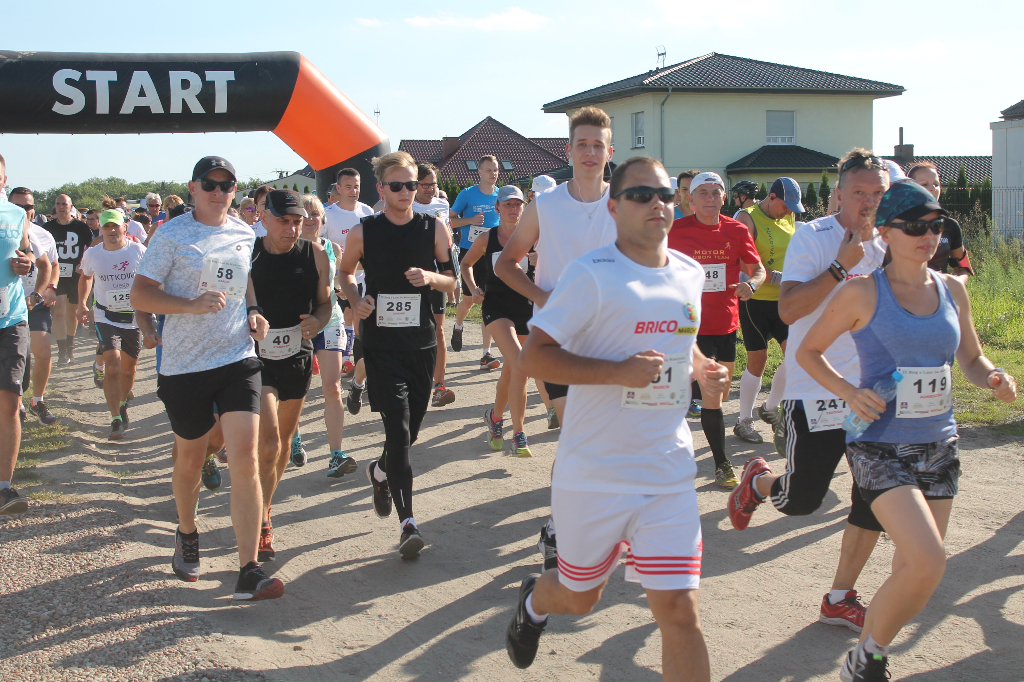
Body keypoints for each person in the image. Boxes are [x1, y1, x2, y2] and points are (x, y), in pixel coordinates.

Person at [504, 156, 728, 681]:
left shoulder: (689, 273)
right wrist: (617, 373)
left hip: (667, 470)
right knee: (580, 596)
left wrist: (703, 371)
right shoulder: (591, 274)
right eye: (641, 195)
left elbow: (682, 345)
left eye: (666, 195)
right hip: (595, 473)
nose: (657, 204)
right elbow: (533, 358)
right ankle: (534, 602)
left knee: (680, 611)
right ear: (614, 207)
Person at [796, 180, 1017, 682]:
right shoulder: (861, 291)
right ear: (887, 232)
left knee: (915, 569)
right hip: (879, 445)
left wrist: (994, 377)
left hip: (939, 443)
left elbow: (972, 357)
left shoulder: (952, 289)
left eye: (937, 225)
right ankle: (868, 653)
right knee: (929, 559)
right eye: (916, 226)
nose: (929, 235)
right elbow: (809, 351)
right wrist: (850, 391)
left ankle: (866, 653)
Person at [727, 149, 891, 633]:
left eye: (877, 193)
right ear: (839, 193)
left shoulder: (891, 242)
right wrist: (842, 266)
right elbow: (790, 310)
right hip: (816, 387)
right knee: (800, 501)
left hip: (874, 393)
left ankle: (839, 598)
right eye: (858, 192)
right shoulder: (813, 237)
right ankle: (758, 481)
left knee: (873, 497)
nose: (868, 201)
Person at [131, 155, 283, 601]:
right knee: (191, 459)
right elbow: (140, 294)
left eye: (227, 185)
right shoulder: (171, 234)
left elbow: (244, 279)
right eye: (210, 184)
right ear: (193, 188)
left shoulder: (242, 231)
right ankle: (186, 531)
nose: (219, 192)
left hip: (237, 357)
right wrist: (189, 305)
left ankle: (248, 568)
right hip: (185, 365)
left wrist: (254, 311)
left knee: (246, 457)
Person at [495, 106, 619, 570]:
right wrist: (544, 297)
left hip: (608, 341)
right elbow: (506, 264)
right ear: (568, 150)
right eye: (581, 144)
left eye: (597, 145)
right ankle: (561, 528)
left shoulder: (625, 204)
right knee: (576, 436)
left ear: (610, 151)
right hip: (557, 341)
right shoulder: (545, 205)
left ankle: (561, 525)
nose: (589, 152)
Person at [337, 151, 458, 559]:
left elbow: (452, 281)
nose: (406, 191)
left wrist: (431, 277)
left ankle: (379, 471)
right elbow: (344, 273)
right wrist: (356, 300)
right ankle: (408, 524)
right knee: (398, 433)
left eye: (411, 184)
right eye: (397, 185)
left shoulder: (433, 227)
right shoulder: (364, 231)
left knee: (411, 433)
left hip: (421, 344)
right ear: (381, 188)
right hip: (381, 345)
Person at [667, 172, 765, 489]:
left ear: (724, 197)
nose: (710, 198)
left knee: (718, 394)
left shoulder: (736, 230)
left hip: (725, 324)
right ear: (690, 199)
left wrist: (752, 284)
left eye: (715, 192)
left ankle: (680, 395)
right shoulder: (675, 231)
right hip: (689, 327)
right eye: (703, 192)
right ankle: (722, 464)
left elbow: (758, 269)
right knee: (712, 397)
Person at [251, 189, 333, 562]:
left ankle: (265, 505)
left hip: (297, 353)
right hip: (256, 357)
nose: (291, 228)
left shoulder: (315, 254)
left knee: (283, 442)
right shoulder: (249, 254)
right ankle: (260, 521)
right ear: (264, 218)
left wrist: (318, 320)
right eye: (283, 221)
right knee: (268, 442)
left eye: (297, 221)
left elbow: (325, 302)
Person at [460, 185, 536, 456]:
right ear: (498, 208)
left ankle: (494, 417)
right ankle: (519, 434)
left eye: (517, 204)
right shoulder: (487, 238)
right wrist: (473, 289)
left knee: (512, 370)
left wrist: (539, 261)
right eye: (507, 204)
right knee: (519, 364)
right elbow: (465, 264)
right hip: (496, 306)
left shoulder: (534, 238)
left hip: (525, 307)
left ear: (524, 207)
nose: (513, 209)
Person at [732, 177, 803, 444]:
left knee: (796, 356)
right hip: (756, 299)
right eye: (785, 205)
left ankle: (770, 407)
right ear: (771, 197)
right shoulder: (747, 217)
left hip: (785, 300)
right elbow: (741, 261)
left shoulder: (789, 216)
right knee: (758, 361)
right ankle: (743, 420)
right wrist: (777, 277)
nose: (788, 212)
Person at [296, 194, 356, 478]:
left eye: (315, 214)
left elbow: (337, 279)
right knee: (297, 389)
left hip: (330, 320)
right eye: (304, 214)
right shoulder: (288, 249)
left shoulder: (333, 248)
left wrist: (342, 290)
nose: (310, 219)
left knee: (332, 388)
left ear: (322, 219)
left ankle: (336, 454)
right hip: (298, 325)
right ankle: (294, 438)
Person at [76, 209, 147, 440]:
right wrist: (82, 304)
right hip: (105, 316)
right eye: (107, 226)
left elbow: (151, 279)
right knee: (113, 365)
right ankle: (115, 419)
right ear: (101, 229)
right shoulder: (93, 254)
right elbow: (86, 277)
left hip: (133, 317)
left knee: (128, 370)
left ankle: (123, 402)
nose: (112, 231)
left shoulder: (138, 251)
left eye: (115, 226)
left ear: (124, 227)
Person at [0, 152, 40, 515]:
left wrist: (25, 263)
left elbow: (25, 253)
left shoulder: (15, 214)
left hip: (11, 319)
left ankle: (4, 488)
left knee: (10, 402)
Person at [7, 188, 56, 425]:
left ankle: (38, 400)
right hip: (10, 307)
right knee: (19, 360)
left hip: (34, 304)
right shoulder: (5, 230)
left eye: (28, 207)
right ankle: (17, 404)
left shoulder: (41, 235)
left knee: (43, 352)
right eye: (19, 207)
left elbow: (51, 265)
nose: (25, 211)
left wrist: (45, 290)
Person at [412, 162, 457, 408]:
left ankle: (439, 385)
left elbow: (448, 238)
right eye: (425, 185)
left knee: (438, 330)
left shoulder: (442, 205)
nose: (430, 189)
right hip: (412, 277)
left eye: (434, 184)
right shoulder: (406, 205)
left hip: (437, 276)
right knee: (411, 331)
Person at [450, 155, 501, 370]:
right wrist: (470, 220)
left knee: (488, 301)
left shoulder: (501, 195)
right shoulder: (467, 194)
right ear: (479, 172)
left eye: (495, 170)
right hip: (470, 253)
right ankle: (458, 325)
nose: (493, 174)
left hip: (493, 253)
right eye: (488, 170)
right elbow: (450, 220)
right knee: (470, 300)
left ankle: (485, 353)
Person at [323, 169, 373, 380]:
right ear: (338, 188)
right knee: (340, 321)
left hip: (361, 279)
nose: (353, 191)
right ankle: (341, 362)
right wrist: (335, 280)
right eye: (348, 187)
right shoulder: (328, 214)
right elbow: (321, 248)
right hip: (335, 280)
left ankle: (360, 372)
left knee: (359, 321)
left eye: (356, 186)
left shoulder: (367, 212)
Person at [43, 194, 93, 365]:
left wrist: (83, 263)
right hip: (57, 275)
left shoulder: (81, 227)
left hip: (75, 275)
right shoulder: (48, 228)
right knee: (58, 312)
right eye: (58, 204)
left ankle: (70, 347)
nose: (61, 207)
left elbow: (90, 247)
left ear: (71, 207)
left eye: (64, 204)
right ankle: (62, 350)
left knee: (72, 314)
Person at [906, 162, 973, 280]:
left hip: (939, 290)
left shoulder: (950, 225)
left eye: (936, 184)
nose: (933, 188)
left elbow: (962, 269)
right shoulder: (896, 224)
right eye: (925, 184)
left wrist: (955, 284)